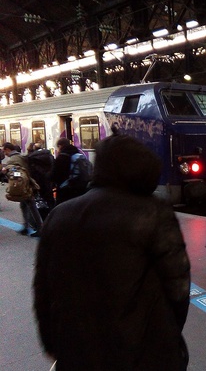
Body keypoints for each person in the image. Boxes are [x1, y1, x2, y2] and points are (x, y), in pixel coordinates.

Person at [33, 131, 191, 371]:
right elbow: (178, 286)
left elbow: (43, 288)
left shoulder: (59, 215)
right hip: (144, 350)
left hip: (78, 350)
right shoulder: (153, 213)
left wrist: (52, 342)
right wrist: (169, 334)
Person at [2, 142, 43, 237]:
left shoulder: (13, 159)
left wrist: (6, 171)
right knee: (25, 205)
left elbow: (15, 176)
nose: (4, 153)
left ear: (8, 149)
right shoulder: (20, 156)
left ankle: (40, 227)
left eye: (4, 151)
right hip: (27, 183)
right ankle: (27, 226)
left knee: (31, 206)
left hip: (23, 186)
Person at [51, 137, 88, 205]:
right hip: (80, 189)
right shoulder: (78, 154)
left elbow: (55, 175)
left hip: (66, 191)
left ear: (60, 146)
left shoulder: (62, 157)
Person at [26, 143, 55, 219]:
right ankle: (52, 216)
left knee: (37, 201)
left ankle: (41, 220)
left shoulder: (31, 157)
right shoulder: (49, 155)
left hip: (37, 183)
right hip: (48, 181)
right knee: (50, 199)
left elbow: (31, 171)